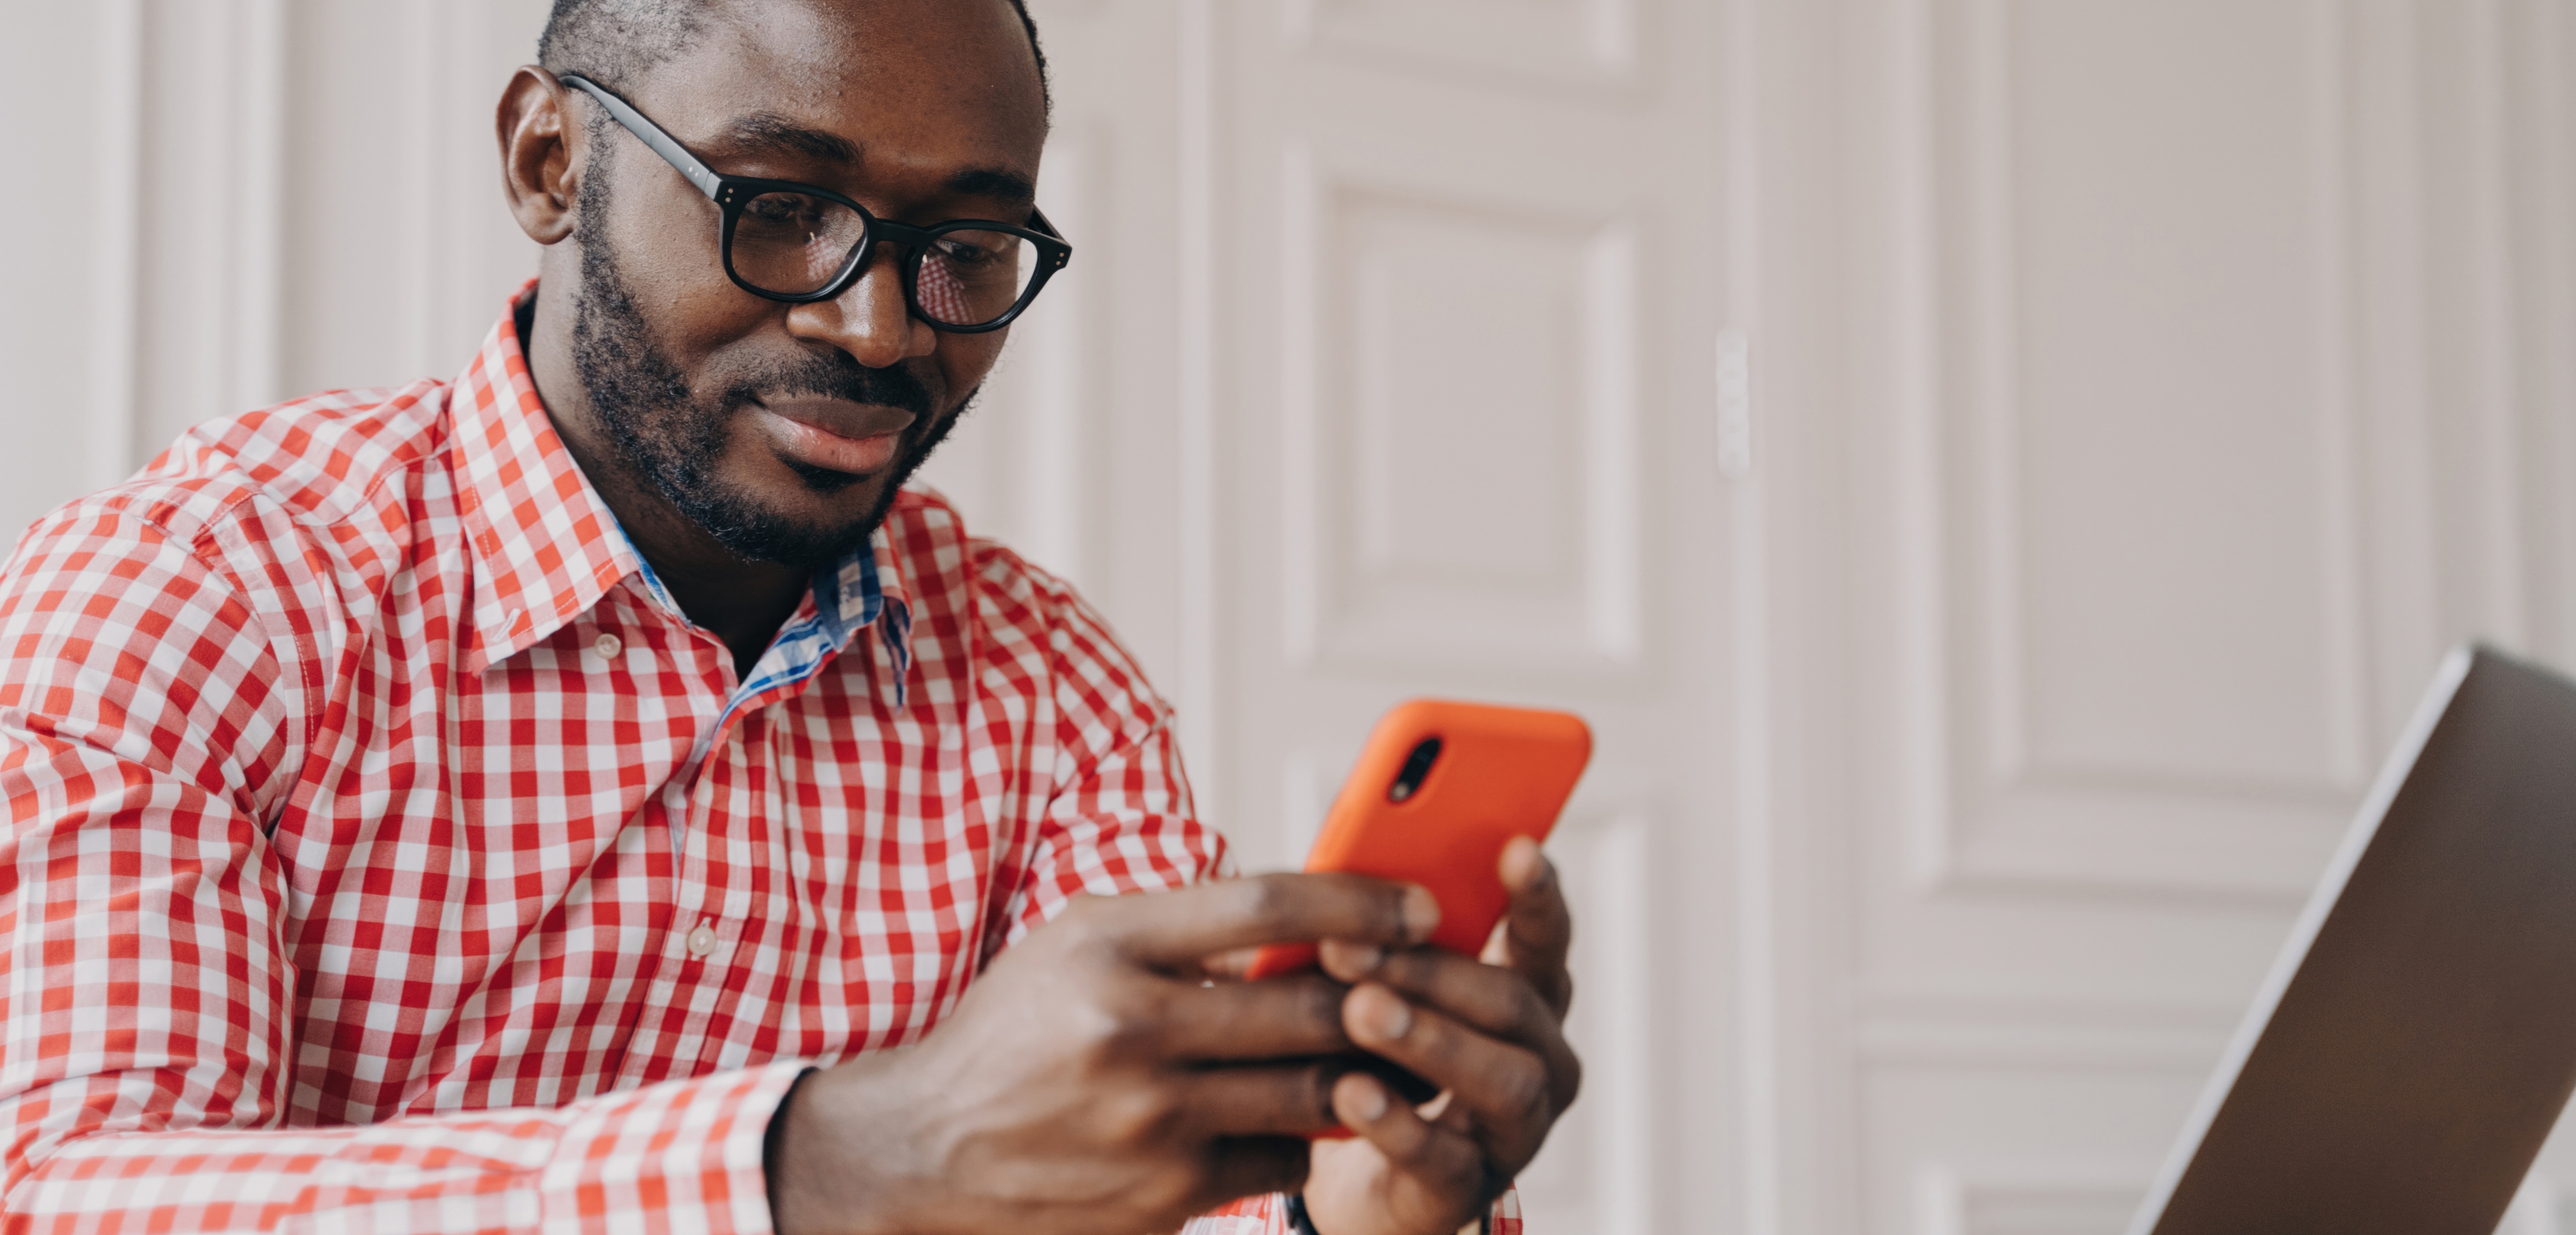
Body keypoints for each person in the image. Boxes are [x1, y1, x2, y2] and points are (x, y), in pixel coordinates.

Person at [0, 1, 1581, 1232]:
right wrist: (825, 1167)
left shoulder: (1049, 689)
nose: (878, 324)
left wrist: (1350, 1206)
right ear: (552, 162)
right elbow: (66, 1189)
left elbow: (1181, 1197)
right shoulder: (197, 592)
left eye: (965, 249)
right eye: (776, 206)